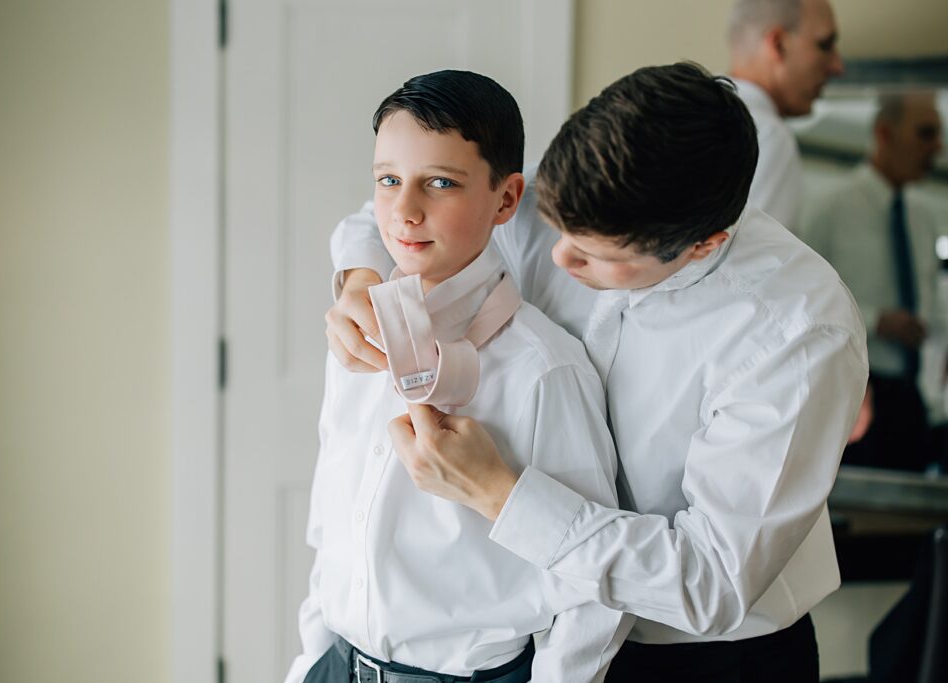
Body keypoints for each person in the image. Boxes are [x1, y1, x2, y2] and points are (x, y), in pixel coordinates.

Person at [326, 63, 868, 682]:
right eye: (558, 225)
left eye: (596, 255)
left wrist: (497, 493)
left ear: (704, 244)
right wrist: (360, 280)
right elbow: (392, 211)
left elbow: (709, 583)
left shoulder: (797, 334)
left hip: (701, 658)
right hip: (544, 645)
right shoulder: (586, 191)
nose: (557, 257)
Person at [286, 70, 629, 683]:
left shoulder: (545, 371)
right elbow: (334, 515)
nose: (405, 211)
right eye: (389, 181)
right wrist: (309, 659)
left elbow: (589, 587)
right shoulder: (357, 338)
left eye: (440, 183)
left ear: (506, 199)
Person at [801, 92, 945, 472]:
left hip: (913, 398)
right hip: (852, 393)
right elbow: (799, 296)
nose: (938, 147)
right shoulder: (830, 208)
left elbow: (930, 304)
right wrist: (875, 320)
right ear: (885, 133)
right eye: (926, 133)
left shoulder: (925, 218)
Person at [728, 0, 845, 232]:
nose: (837, 66)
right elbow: (761, 266)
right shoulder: (766, 136)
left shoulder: (683, 119)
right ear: (779, 44)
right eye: (825, 45)